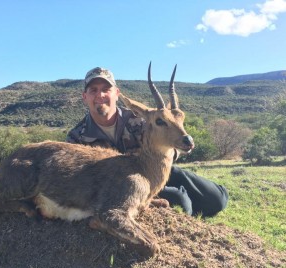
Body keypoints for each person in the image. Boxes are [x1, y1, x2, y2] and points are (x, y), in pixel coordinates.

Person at [66, 67, 228, 217]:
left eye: (106, 90)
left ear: (116, 93)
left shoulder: (139, 120)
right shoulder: (77, 137)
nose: (100, 95)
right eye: (93, 90)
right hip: (128, 187)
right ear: (85, 97)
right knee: (178, 199)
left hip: (158, 170)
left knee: (217, 200)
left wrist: (175, 146)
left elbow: (170, 136)